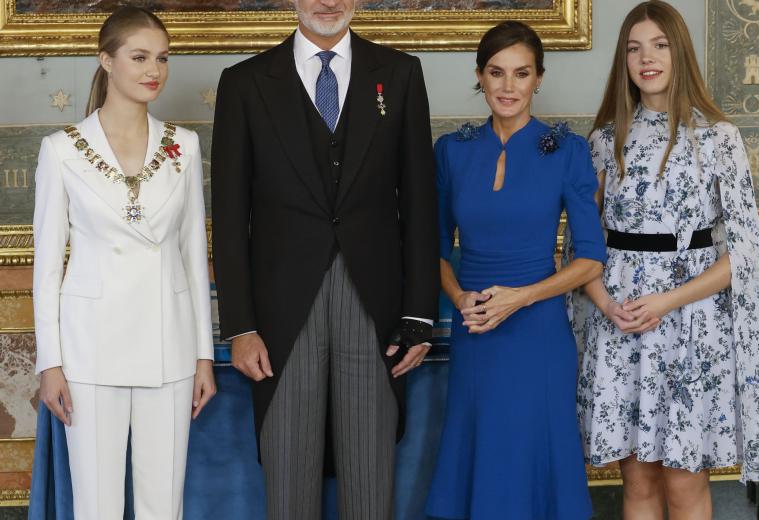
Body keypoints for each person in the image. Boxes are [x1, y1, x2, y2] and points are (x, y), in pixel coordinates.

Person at [209, 0, 440, 518]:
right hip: (280, 316)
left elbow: (420, 202)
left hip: (375, 306)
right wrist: (239, 324)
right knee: (289, 484)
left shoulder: (400, 73)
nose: (328, 3)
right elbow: (228, 217)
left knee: (370, 481)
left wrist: (420, 314)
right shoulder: (244, 83)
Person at [574, 1, 759, 518]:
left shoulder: (718, 138)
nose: (647, 58)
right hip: (620, 325)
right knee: (637, 482)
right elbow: (582, 245)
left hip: (690, 324)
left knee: (685, 483)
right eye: (634, 48)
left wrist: (665, 300)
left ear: (679, 52)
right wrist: (606, 305)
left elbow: (744, 255)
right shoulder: (602, 141)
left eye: (659, 45)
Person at [32, 7, 216, 519]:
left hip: (170, 344)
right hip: (90, 348)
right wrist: (51, 363)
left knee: (164, 504)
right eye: (139, 57)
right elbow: (47, 269)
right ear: (106, 61)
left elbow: (192, 258)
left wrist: (203, 354)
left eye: (162, 58)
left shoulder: (185, 145)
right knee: (97, 505)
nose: (153, 69)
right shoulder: (61, 150)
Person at [425, 20, 606, 520]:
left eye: (521, 74)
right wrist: (462, 299)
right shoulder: (451, 152)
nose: (508, 87)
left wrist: (520, 297)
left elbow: (590, 256)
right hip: (476, 327)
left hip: (540, 334)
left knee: (535, 455)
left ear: (539, 79)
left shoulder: (568, 151)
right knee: (481, 452)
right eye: (496, 72)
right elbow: (434, 249)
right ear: (479, 76)